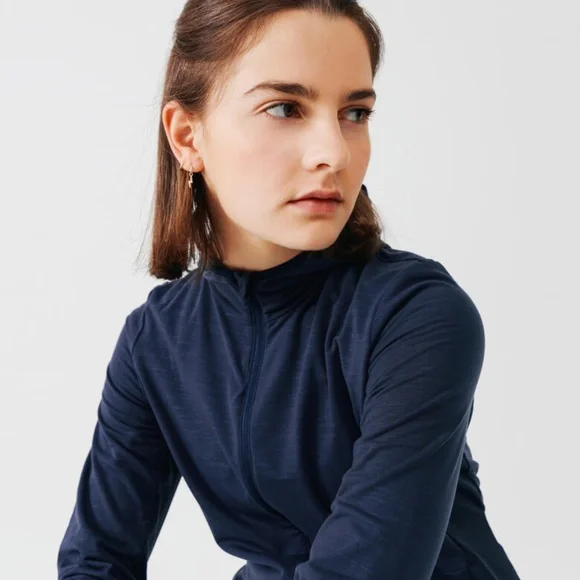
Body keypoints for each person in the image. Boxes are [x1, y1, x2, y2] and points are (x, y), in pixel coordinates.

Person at [57, 1, 521, 579]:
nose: (334, 152)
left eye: (355, 113)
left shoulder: (416, 314)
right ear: (186, 135)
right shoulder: (155, 341)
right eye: (285, 108)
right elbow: (96, 559)